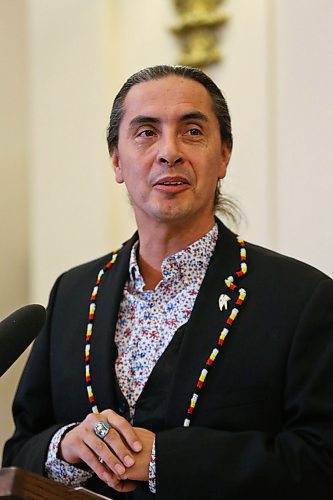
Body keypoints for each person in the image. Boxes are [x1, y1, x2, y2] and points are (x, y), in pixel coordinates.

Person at [2, 65, 333, 500]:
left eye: (192, 131)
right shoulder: (72, 293)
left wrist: (165, 460)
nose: (169, 152)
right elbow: (19, 449)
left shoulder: (300, 298)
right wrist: (64, 448)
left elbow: (321, 462)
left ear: (224, 156)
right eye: (145, 132)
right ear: (117, 160)